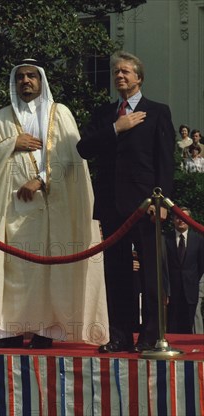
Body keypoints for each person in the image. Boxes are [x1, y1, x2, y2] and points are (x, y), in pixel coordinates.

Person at [0, 59, 109, 349]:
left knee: (48, 273)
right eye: (20, 77)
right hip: (12, 214)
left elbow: (73, 159)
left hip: (51, 211)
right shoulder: (2, 118)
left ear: (41, 80)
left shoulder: (60, 114)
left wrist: (43, 179)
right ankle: (8, 331)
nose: (26, 81)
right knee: (13, 274)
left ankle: (45, 332)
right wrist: (12, 143)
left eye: (31, 76)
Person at [77, 51, 175, 353]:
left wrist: (163, 202)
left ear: (139, 78)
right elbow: (83, 148)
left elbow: (165, 160)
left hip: (146, 204)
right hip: (111, 203)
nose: (120, 76)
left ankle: (150, 335)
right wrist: (117, 128)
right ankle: (119, 334)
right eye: (116, 72)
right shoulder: (106, 114)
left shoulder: (157, 111)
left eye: (126, 72)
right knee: (116, 272)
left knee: (150, 273)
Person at [164, 208, 204, 333]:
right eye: (178, 217)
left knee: (188, 326)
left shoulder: (198, 240)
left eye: (184, 218)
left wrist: (192, 280)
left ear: (190, 220)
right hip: (172, 291)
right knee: (172, 325)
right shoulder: (165, 239)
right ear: (173, 220)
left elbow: (201, 265)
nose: (181, 220)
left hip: (190, 290)